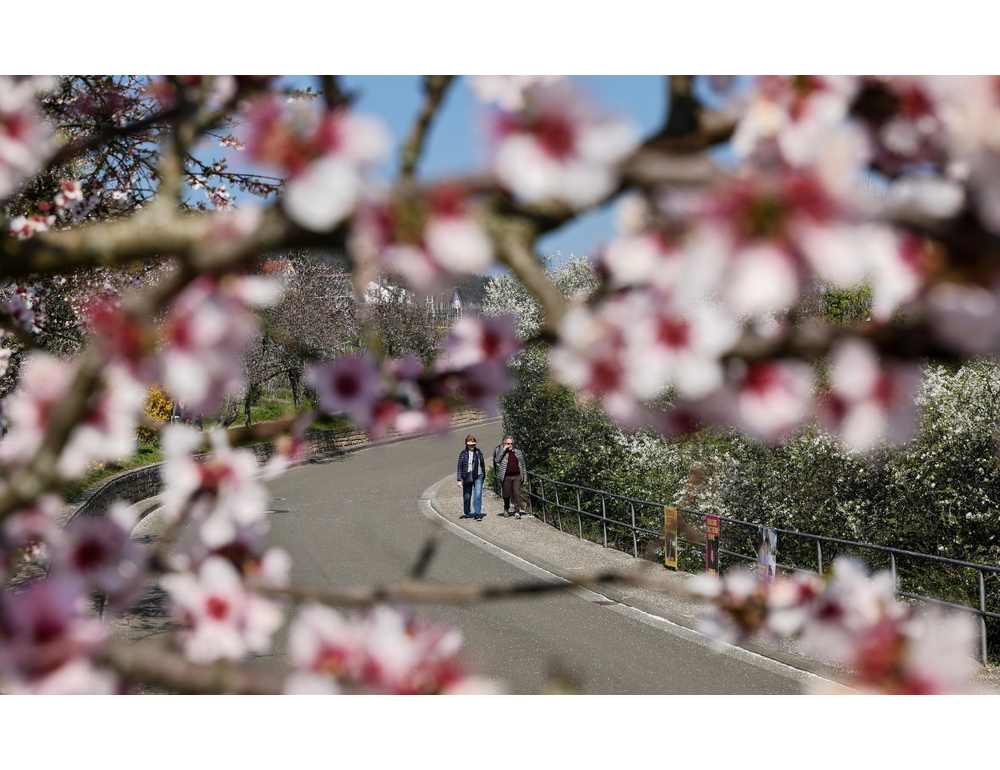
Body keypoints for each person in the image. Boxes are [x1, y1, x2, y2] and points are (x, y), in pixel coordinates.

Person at [494, 435, 528, 519]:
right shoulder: (502, 452)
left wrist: (525, 478)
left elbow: (523, 465)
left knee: (517, 493)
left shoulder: (518, 452)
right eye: (508, 443)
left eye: (511, 443)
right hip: (506, 477)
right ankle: (506, 508)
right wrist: (503, 450)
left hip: (517, 476)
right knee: (507, 494)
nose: (510, 445)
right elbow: (497, 460)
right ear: (505, 444)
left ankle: (517, 511)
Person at [456, 435, 486, 521]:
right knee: (467, 496)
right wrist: (459, 480)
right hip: (467, 476)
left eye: (473, 444)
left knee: (477, 495)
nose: (472, 446)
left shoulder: (479, 452)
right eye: (470, 444)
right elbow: (459, 467)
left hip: (478, 476)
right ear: (466, 444)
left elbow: (482, 464)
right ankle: (467, 512)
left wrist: (483, 475)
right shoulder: (463, 454)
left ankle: (477, 513)